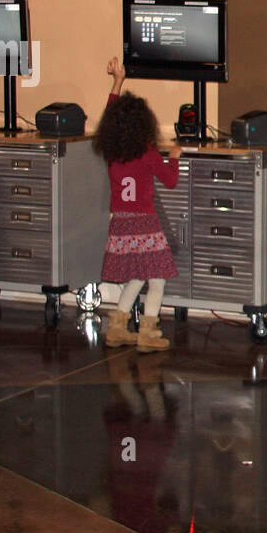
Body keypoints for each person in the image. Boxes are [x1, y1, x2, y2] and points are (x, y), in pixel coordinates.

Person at [95, 58, 181, 351]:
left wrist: (117, 83)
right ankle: (148, 332)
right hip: (145, 221)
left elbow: (109, 112)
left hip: (120, 221)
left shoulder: (111, 151)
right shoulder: (148, 153)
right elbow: (170, 181)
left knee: (136, 275)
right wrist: (175, 157)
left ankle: (118, 327)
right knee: (157, 278)